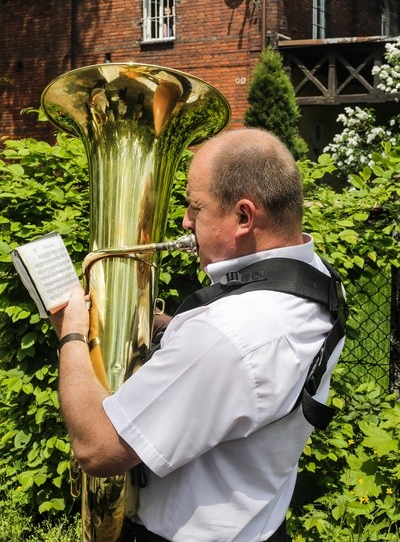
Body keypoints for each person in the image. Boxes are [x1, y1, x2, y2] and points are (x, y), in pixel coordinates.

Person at [51, 128, 345, 542]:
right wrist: (168, 327)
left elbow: (97, 449)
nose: (186, 222)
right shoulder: (318, 277)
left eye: (196, 208)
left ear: (244, 217)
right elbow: (255, 368)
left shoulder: (227, 337)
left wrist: (71, 334)